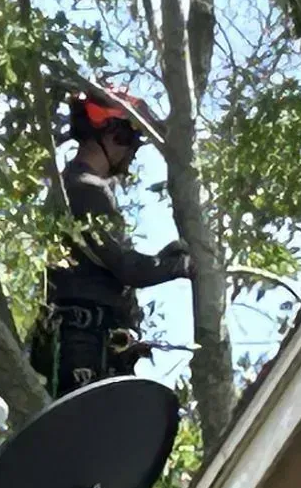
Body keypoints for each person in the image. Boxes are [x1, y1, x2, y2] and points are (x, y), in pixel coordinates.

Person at [28, 87, 191, 398]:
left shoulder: (67, 187)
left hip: (78, 341)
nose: (132, 155)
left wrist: (163, 257)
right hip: (85, 344)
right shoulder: (87, 188)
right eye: (133, 143)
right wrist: (181, 266)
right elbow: (127, 268)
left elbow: (104, 263)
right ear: (116, 135)